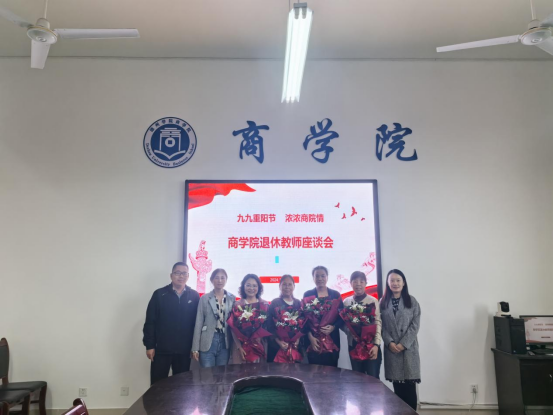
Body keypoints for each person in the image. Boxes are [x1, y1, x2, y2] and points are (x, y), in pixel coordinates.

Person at [143, 262, 200, 385]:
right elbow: (150, 321)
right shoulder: (159, 294)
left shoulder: (194, 296)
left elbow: (197, 323)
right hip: (162, 348)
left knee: (181, 387)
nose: (181, 276)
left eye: (184, 273)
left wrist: (195, 347)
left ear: (188, 276)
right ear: (171, 275)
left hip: (184, 350)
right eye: (177, 273)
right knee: (157, 385)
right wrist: (150, 345)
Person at [380, 269, 421, 411]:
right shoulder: (383, 302)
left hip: (408, 349)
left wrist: (403, 344)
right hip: (392, 350)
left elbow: (415, 325)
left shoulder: (412, 301)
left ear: (403, 283)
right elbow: (381, 326)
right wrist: (390, 342)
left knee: (410, 389)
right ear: (388, 283)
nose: (395, 283)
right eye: (392, 280)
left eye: (398, 280)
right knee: (397, 390)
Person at [191, 268, 236, 367]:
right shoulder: (204, 298)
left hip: (225, 341)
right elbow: (198, 322)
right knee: (207, 374)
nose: (220, 280)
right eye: (216, 278)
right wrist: (195, 348)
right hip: (208, 340)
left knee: (221, 374)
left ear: (226, 280)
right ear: (212, 280)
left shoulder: (232, 298)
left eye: (222, 278)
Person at [342, 271, 383, 378]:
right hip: (354, 345)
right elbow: (343, 324)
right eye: (355, 281)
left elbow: (377, 322)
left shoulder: (373, 300)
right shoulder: (346, 302)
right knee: (357, 380)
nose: (358, 284)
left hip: (371, 345)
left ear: (366, 283)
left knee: (373, 380)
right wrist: (353, 332)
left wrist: (376, 345)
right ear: (351, 284)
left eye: (361, 281)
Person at [303, 265, 344, 367]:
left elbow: (342, 317)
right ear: (313, 278)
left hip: (332, 340)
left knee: (332, 372)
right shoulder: (308, 295)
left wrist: (333, 327)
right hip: (314, 342)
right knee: (314, 372)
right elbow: (304, 319)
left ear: (327, 277)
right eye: (317, 276)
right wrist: (310, 337)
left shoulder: (335, 295)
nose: (320, 278)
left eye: (323, 276)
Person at [230, 274, 269, 364]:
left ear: (259, 288)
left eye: (254, 286)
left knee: (258, 371)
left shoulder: (265, 305)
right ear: (243, 286)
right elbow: (233, 327)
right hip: (241, 347)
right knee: (240, 371)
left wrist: (259, 338)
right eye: (248, 285)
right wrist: (239, 346)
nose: (251, 288)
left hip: (258, 346)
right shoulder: (237, 305)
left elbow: (267, 326)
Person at [267, 274, 302, 363]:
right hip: (277, 348)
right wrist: (278, 341)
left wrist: (298, 339)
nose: (287, 287)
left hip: (295, 347)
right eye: (284, 284)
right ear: (280, 286)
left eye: (290, 284)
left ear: (294, 286)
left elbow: (302, 324)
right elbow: (270, 325)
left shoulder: (298, 303)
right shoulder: (275, 303)